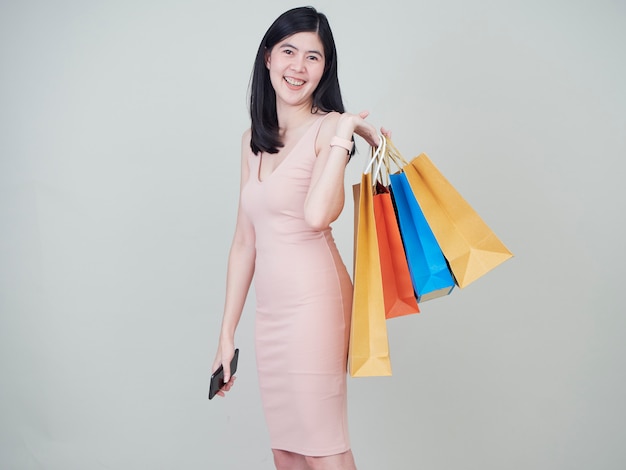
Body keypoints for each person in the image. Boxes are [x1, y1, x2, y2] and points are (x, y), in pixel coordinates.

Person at [212, 6, 389, 470]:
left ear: (325, 68)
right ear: (267, 57)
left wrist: (344, 131)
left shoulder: (331, 128)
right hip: (271, 312)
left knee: (321, 447)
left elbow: (316, 215)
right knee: (287, 451)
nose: (299, 67)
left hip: (316, 302)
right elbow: (244, 241)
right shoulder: (254, 139)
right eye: (289, 51)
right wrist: (226, 334)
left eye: (314, 57)